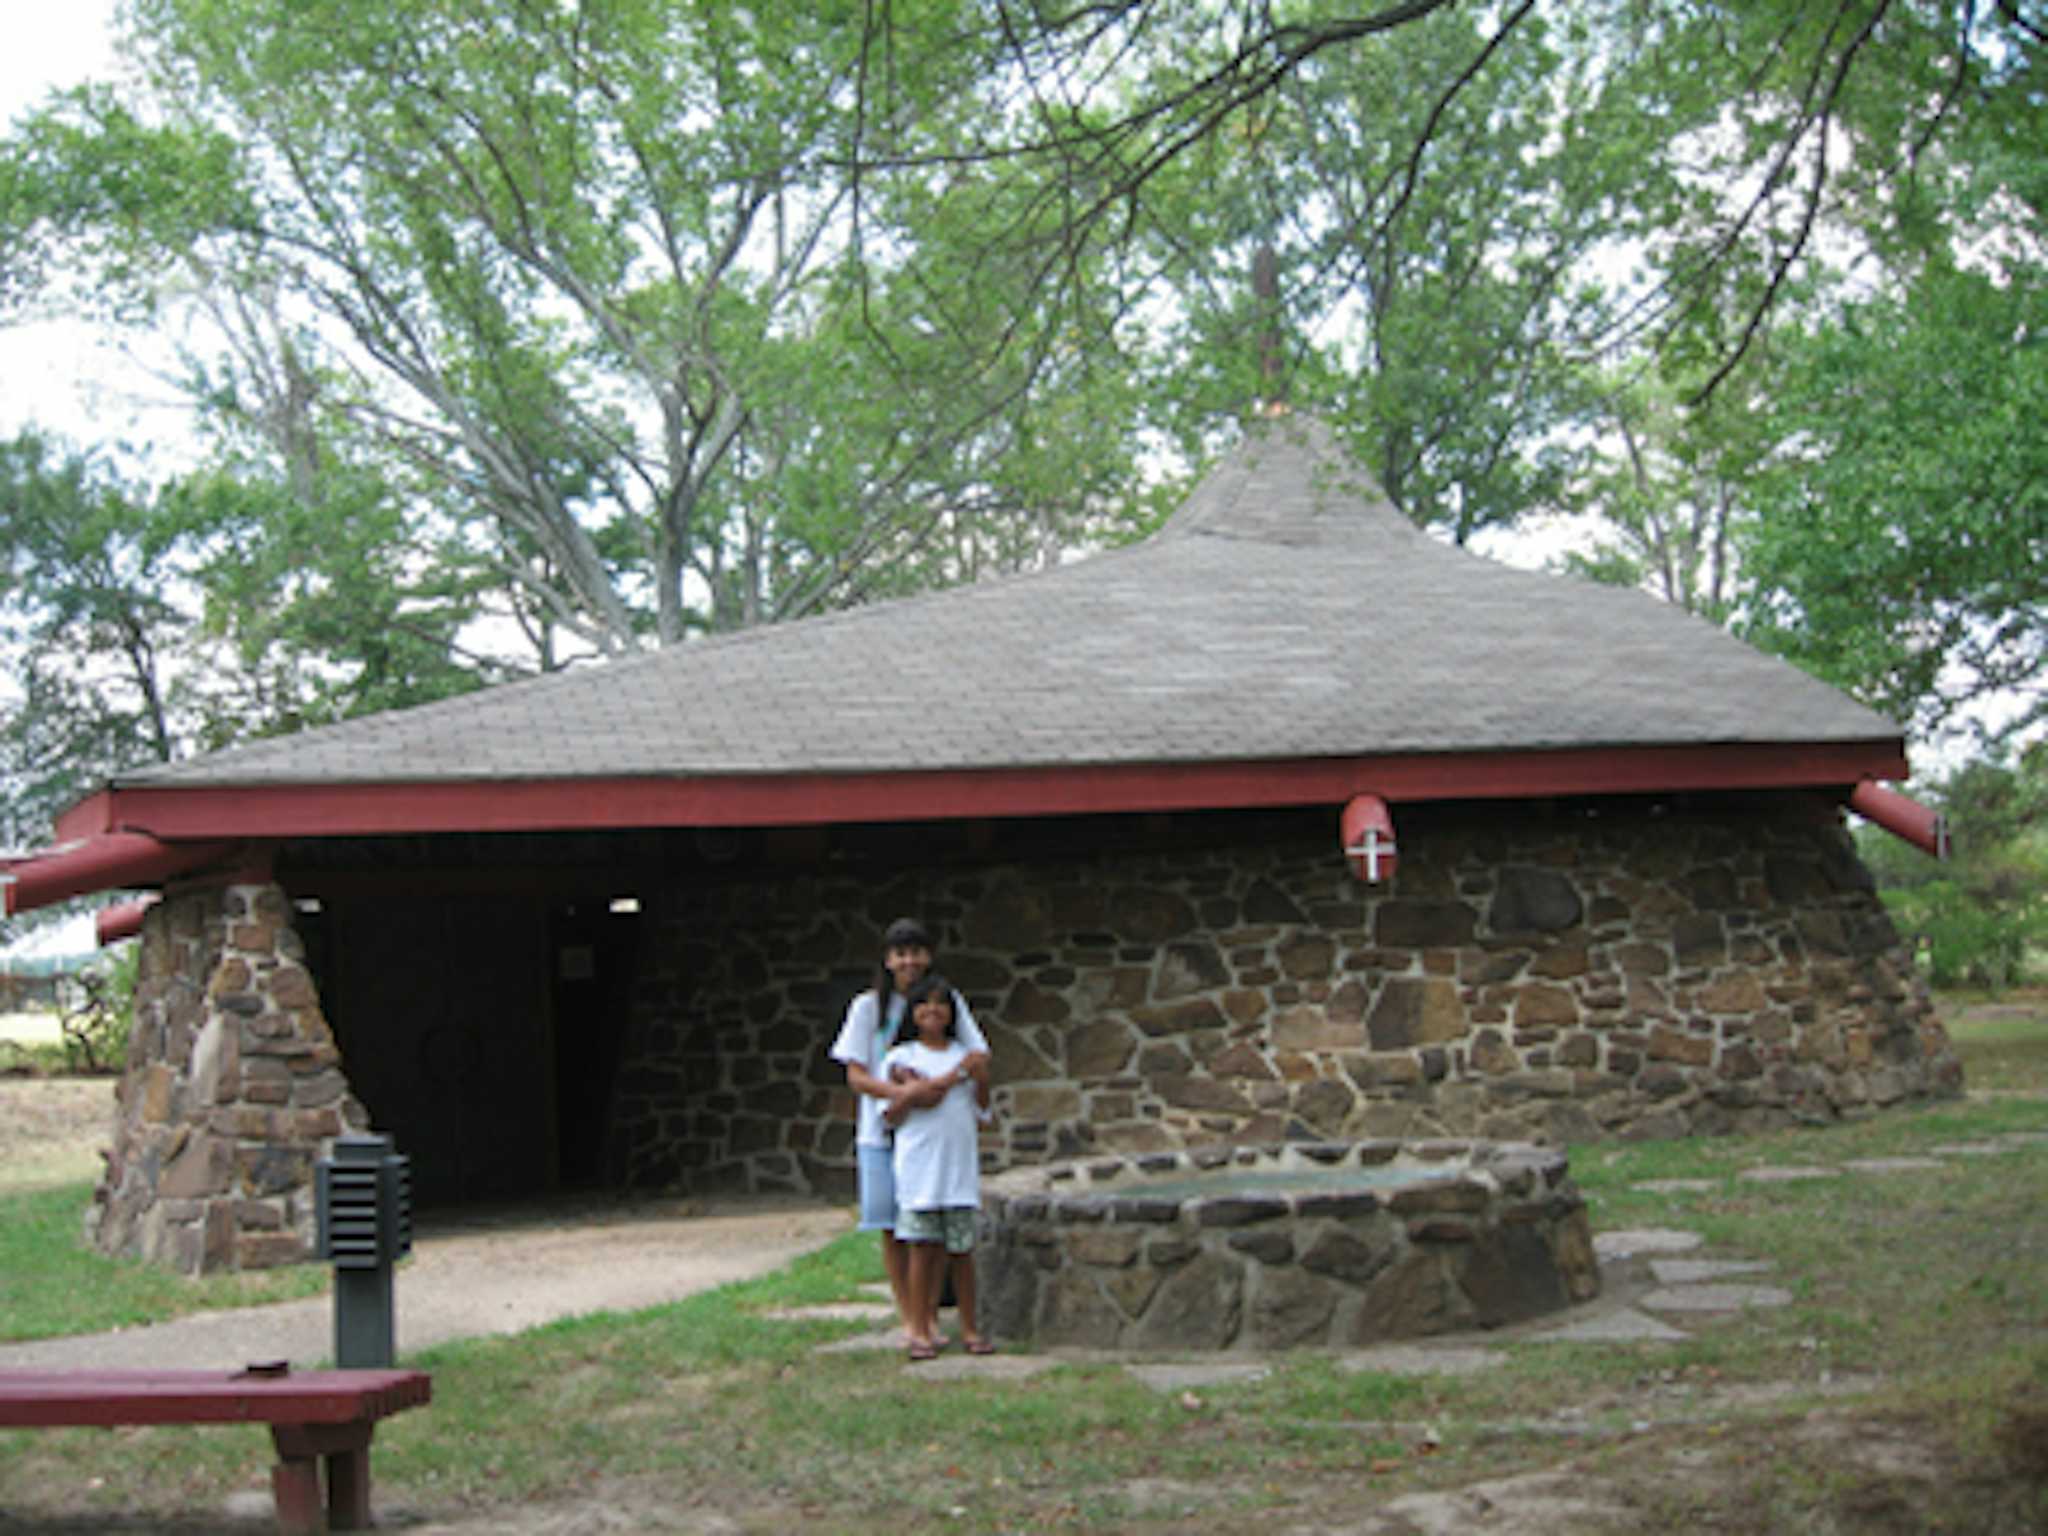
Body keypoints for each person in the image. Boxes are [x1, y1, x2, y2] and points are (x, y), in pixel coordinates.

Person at [829, 917, 989, 1345]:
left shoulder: (943, 1000)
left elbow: (976, 1055)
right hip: (880, 1132)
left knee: (931, 1226)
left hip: (931, 1135)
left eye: (917, 952)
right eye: (901, 953)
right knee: (892, 1225)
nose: (909, 961)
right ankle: (909, 1317)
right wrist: (906, 1094)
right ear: (887, 959)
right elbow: (857, 1076)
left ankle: (931, 1316)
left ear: (929, 956)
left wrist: (938, 1085)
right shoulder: (868, 1007)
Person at [880, 972, 993, 1360]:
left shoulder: (964, 1052)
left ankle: (970, 1327)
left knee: (961, 1252)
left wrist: (975, 1077)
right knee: (921, 1250)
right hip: (918, 1171)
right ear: (912, 1012)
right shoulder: (901, 1057)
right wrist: (916, 1090)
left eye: (941, 1003)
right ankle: (920, 1328)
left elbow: (982, 1108)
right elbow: (892, 1113)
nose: (933, 1010)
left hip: (958, 1171)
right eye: (924, 1003)